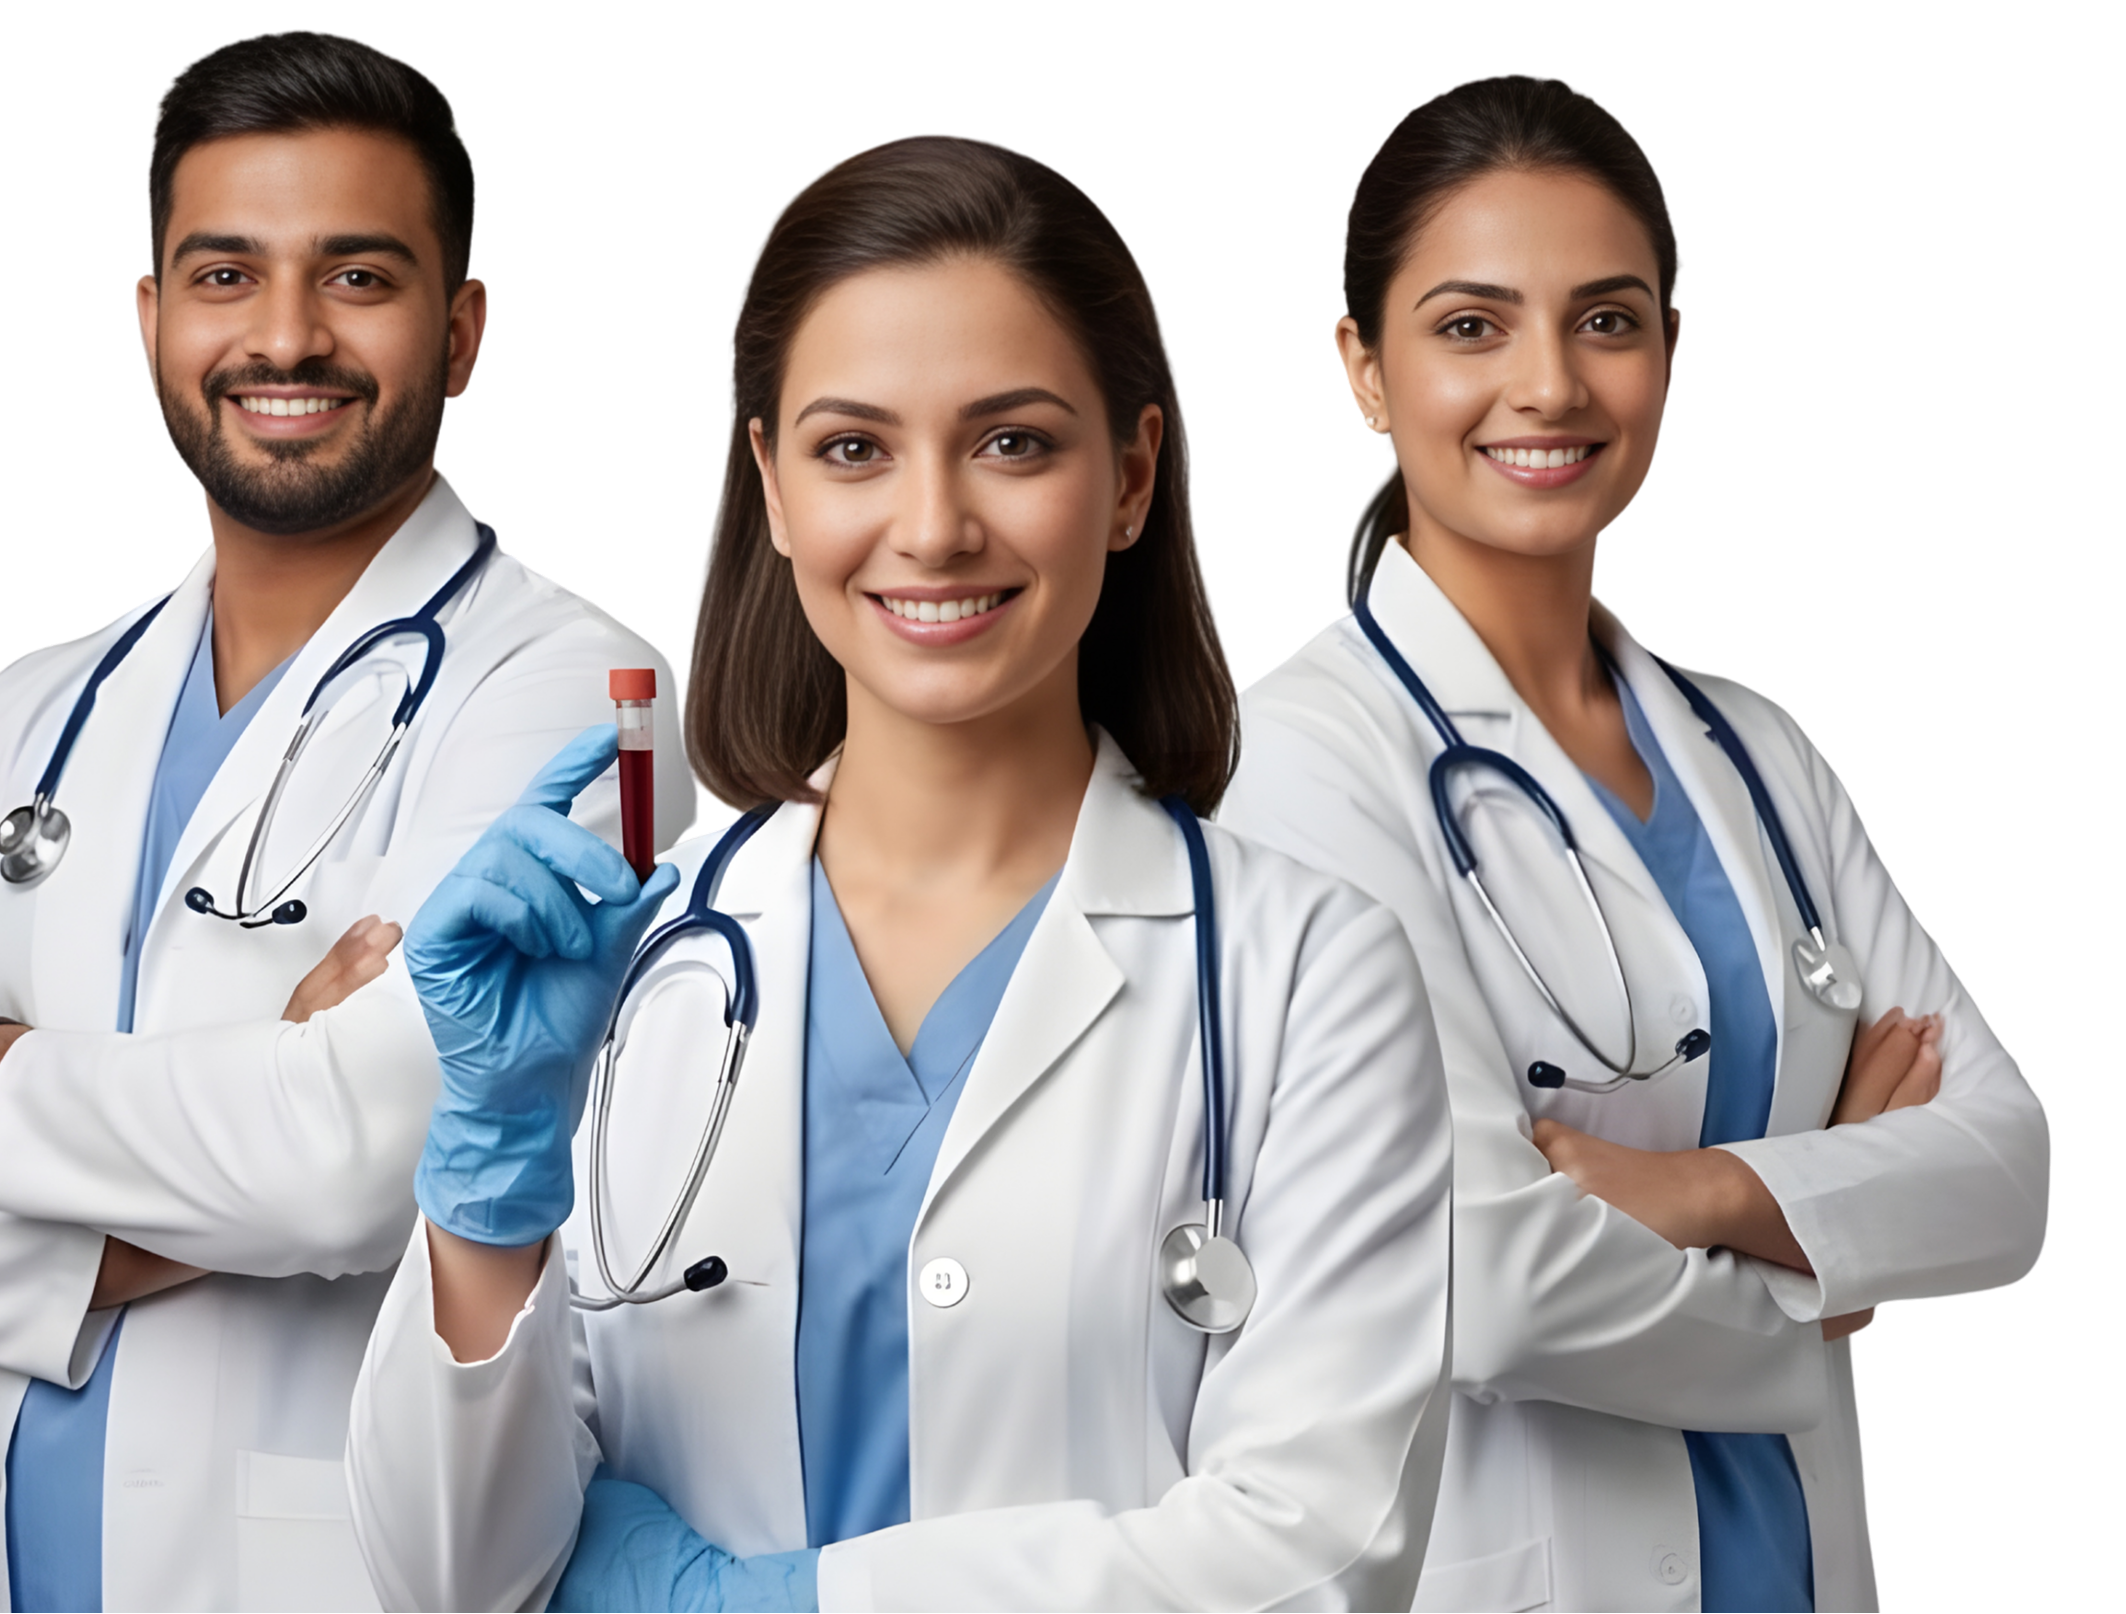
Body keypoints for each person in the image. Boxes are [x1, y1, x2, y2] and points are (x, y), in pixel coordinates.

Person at [341, 134, 1458, 1611]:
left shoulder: (1309, 972)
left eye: (1013, 443)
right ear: (773, 485)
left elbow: (1322, 1554)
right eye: (854, 449)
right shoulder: (625, 957)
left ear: (1130, 476)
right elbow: (448, 1580)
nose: (932, 527)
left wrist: (778, 1602)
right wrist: (489, 1176)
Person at [0, 30, 692, 1612]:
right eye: (226, 274)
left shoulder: (591, 695)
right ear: (152, 321)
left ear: (460, 331)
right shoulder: (28, 711)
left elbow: (369, 1163)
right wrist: (254, 1106)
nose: (286, 335)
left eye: (358, 276)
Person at [1216, 75, 2050, 1613]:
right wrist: (1826, 1255)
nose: (1547, 384)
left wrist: (1701, 1191)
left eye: (1603, 319)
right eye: (1470, 326)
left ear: (1669, 345)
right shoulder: (1298, 761)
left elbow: (2006, 1167)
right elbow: (1485, 1281)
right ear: (1364, 371)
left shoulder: (1756, 750)